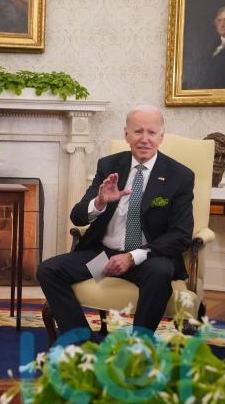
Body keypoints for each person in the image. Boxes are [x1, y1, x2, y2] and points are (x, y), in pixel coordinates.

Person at [37, 105, 194, 337]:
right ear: (126, 134)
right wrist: (99, 202)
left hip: (146, 260)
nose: (144, 139)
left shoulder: (179, 175)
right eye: (138, 131)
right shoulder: (109, 166)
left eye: (151, 132)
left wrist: (132, 257)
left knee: (160, 273)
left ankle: (138, 346)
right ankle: (82, 340)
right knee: (49, 270)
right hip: (105, 261)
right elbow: (77, 216)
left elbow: (181, 235)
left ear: (161, 137)